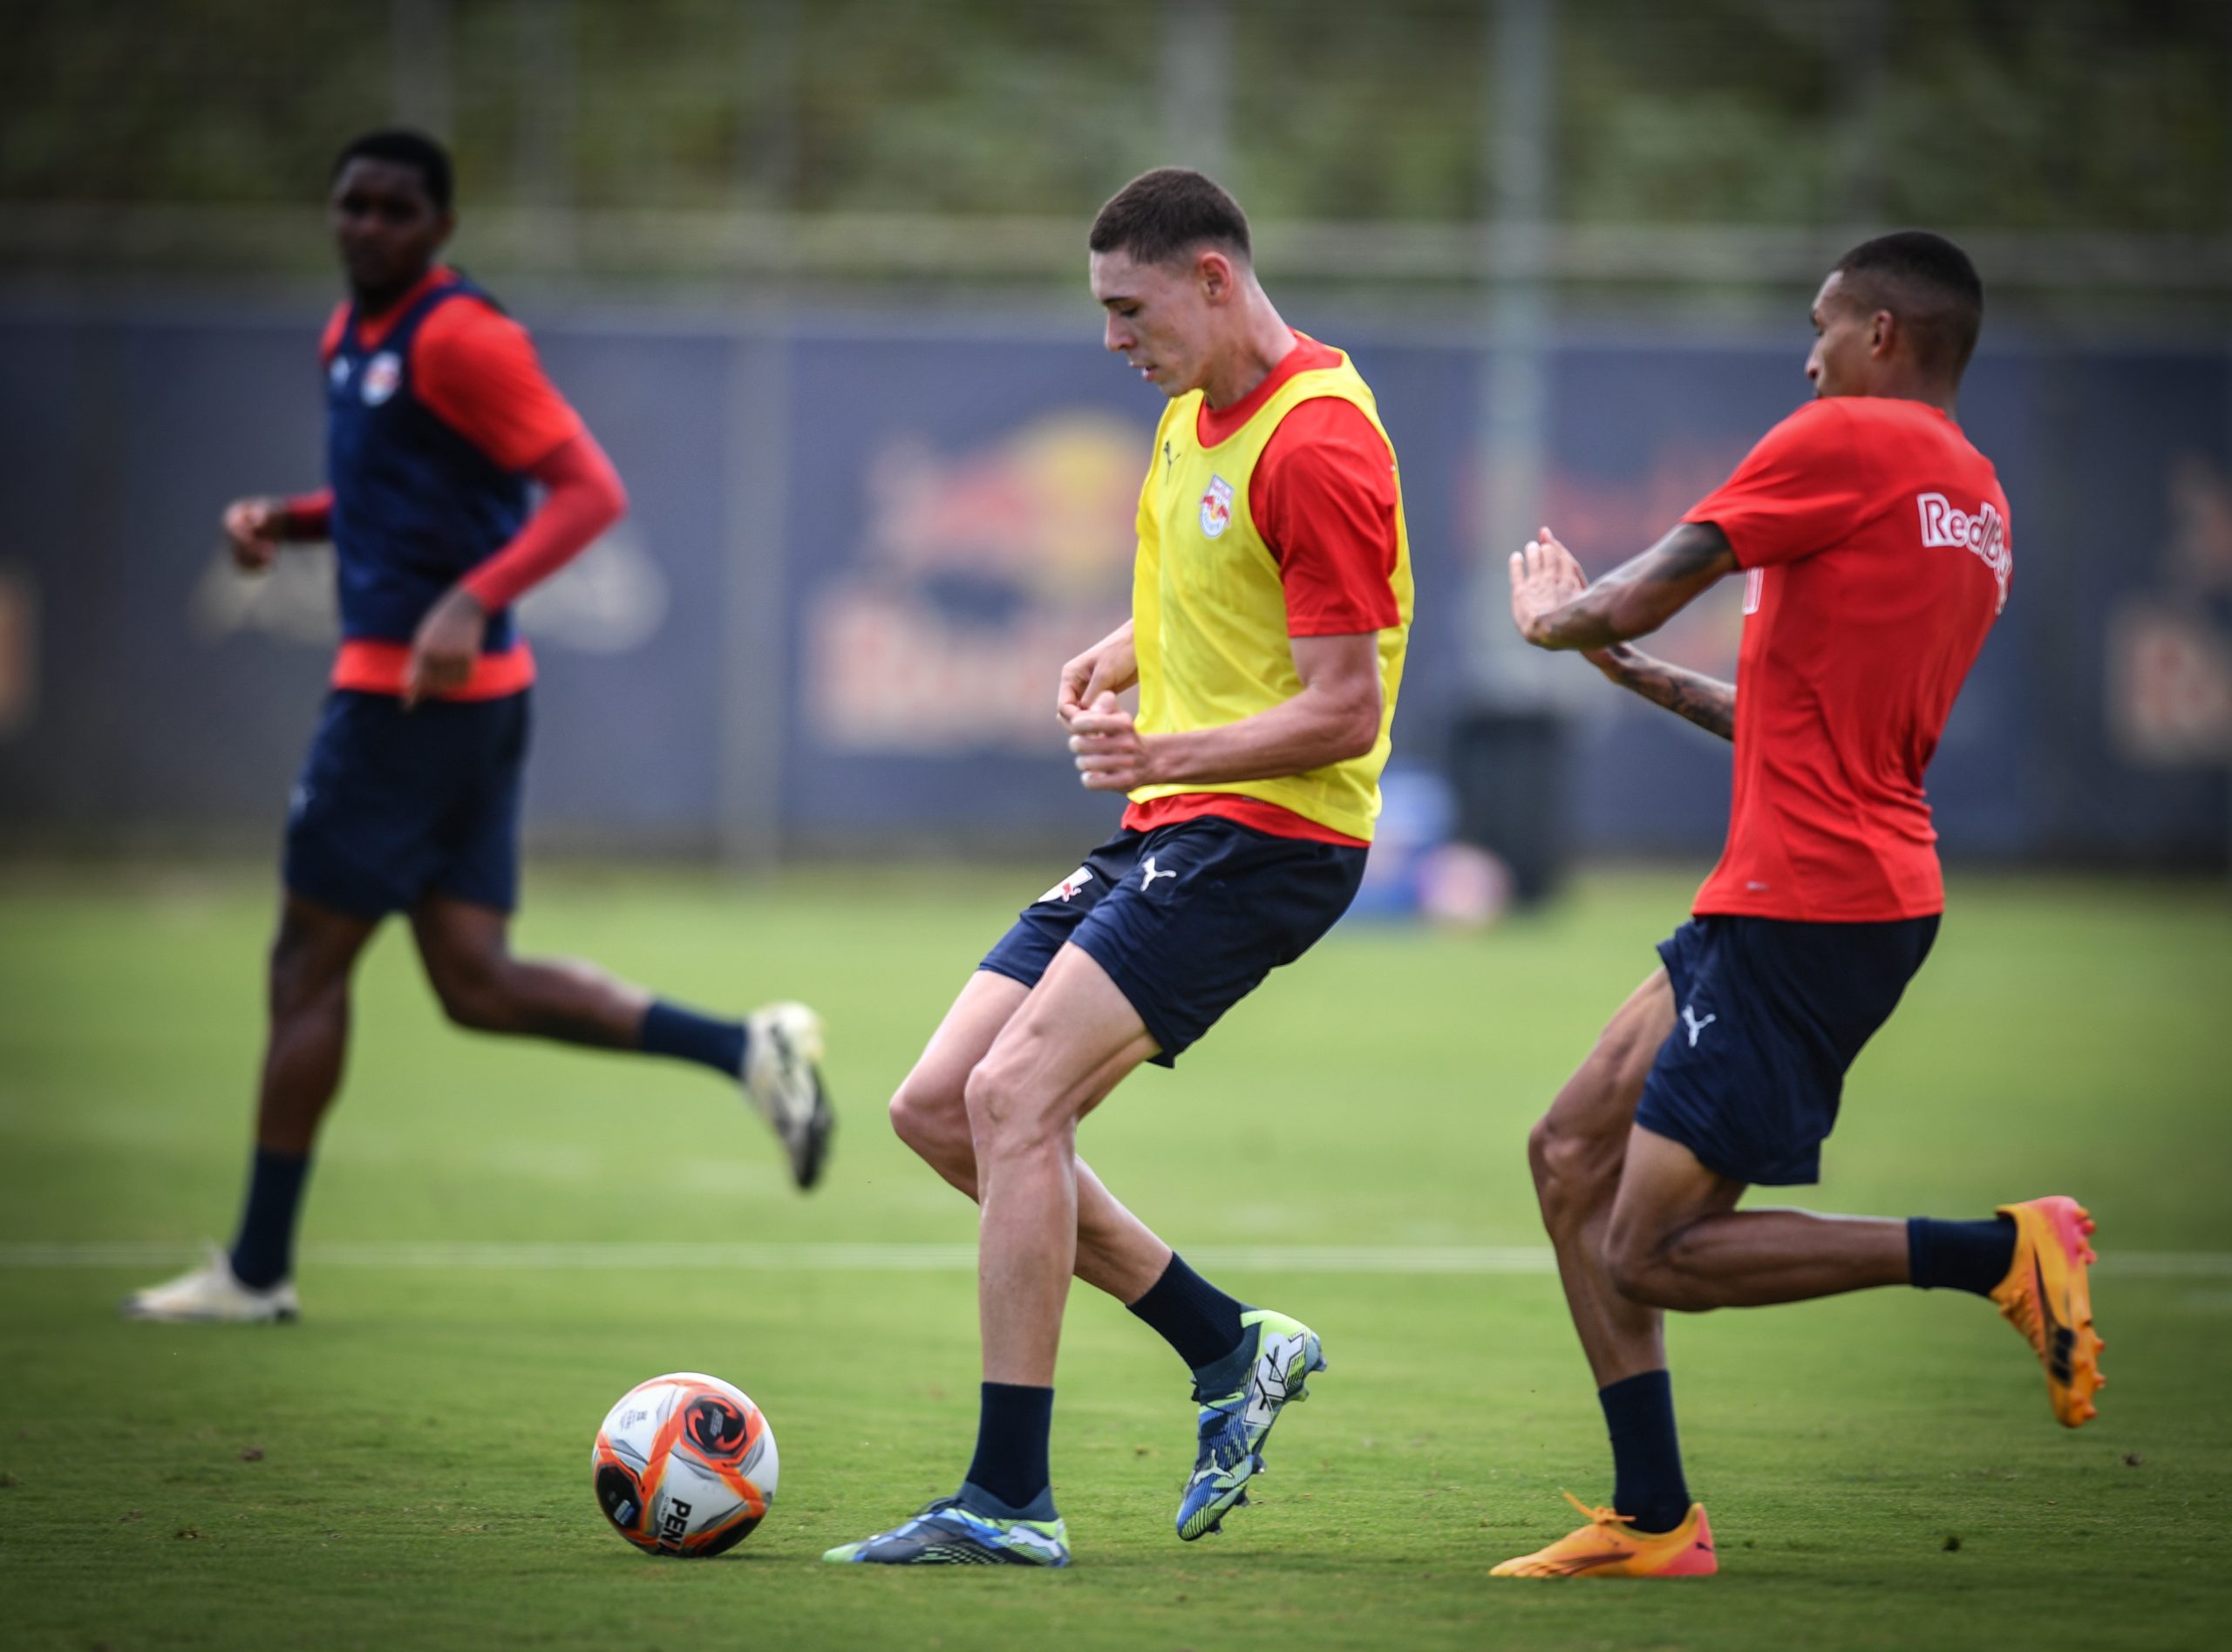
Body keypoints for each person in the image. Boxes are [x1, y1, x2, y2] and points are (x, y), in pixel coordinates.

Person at [124, 130, 832, 1325]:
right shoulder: (352, 337)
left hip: (405, 703)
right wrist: (291, 524)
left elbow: (589, 491)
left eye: (396, 211)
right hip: (462, 704)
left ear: (441, 229)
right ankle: (745, 1049)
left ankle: (254, 1270)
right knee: (477, 983)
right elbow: (393, 499)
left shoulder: (460, 336)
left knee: (306, 966)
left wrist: (469, 600)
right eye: (351, 205)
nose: (368, 227)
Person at [825, 168, 1412, 1567]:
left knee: (1015, 1098)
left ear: (1213, 279)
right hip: (1180, 827)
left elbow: (1347, 707)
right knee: (936, 1109)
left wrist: (1166, 754)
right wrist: (1122, 647)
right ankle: (1228, 1345)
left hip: (1271, 838)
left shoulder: (1319, 442)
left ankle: (1006, 1499)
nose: (1111, 338)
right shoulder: (1186, 414)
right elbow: (1211, 586)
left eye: (1126, 307)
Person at [1492, 231, 2100, 1580]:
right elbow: (1814, 723)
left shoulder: (1841, 442)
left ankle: (1998, 1252)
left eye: (1823, 326)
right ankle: (1652, 1519)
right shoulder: (1976, 497)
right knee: (1569, 1157)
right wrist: (1643, 677)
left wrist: (1553, 618)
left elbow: (1643, 582)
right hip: (1811, 890)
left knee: (1644, 1251)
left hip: (1806, 907)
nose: (1807, 354)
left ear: (1884, 334)